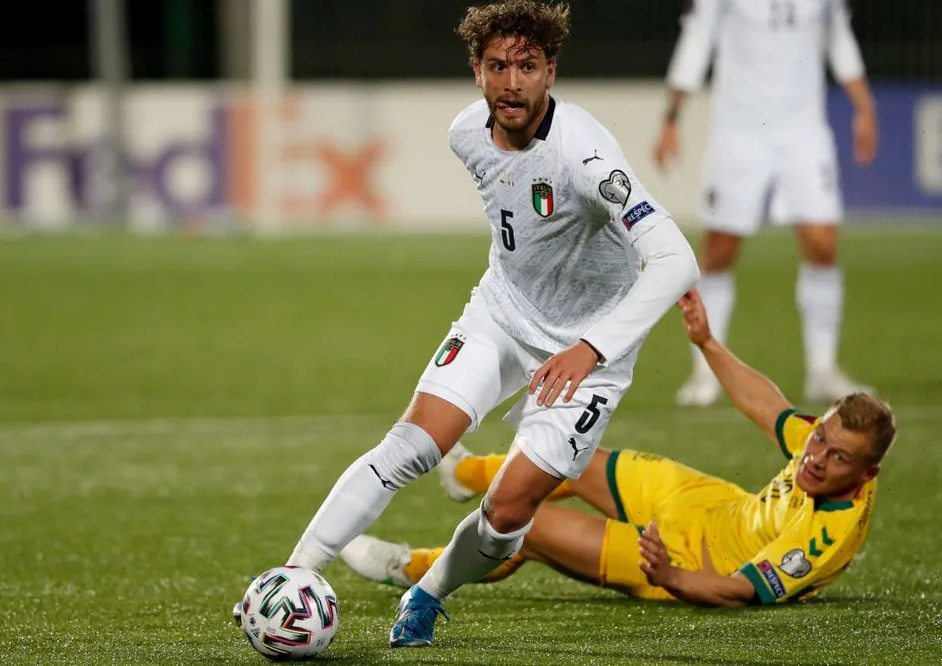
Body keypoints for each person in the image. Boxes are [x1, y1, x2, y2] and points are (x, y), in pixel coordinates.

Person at [233, 0, 699, 648]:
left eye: (527, 67)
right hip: (502, 317)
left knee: (508, 514)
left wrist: (590, 349)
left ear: (551, 71)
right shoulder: (465, 134)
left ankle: (427, 593)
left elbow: (677, 258)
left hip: (589, 353)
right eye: (498, 66)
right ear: (476, 72)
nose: (512, 82)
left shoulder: (585, 154)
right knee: (408, 448)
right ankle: (291, 577)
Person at [342, 288, 896, 607]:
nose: (816, 458)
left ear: (867, 473)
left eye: (837, 457)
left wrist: (673, 577)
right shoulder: (820, 445)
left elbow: (742, 591)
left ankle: (409, 567)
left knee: (526, 529)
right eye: (819, 439)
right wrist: (706, 341)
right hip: (712, 502)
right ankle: (464, 476)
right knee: (569, 456)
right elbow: (767, 406)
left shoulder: (828, 534)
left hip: (694, 559)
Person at [656, 0, 880, 406]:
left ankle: (822, 369)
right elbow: (697, 40)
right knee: (720, 251)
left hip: (804, 129)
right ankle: (706, 373)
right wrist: (672, 119)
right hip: (739, 130)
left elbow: (839, 39)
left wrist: (864, 107)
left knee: (823, 244)